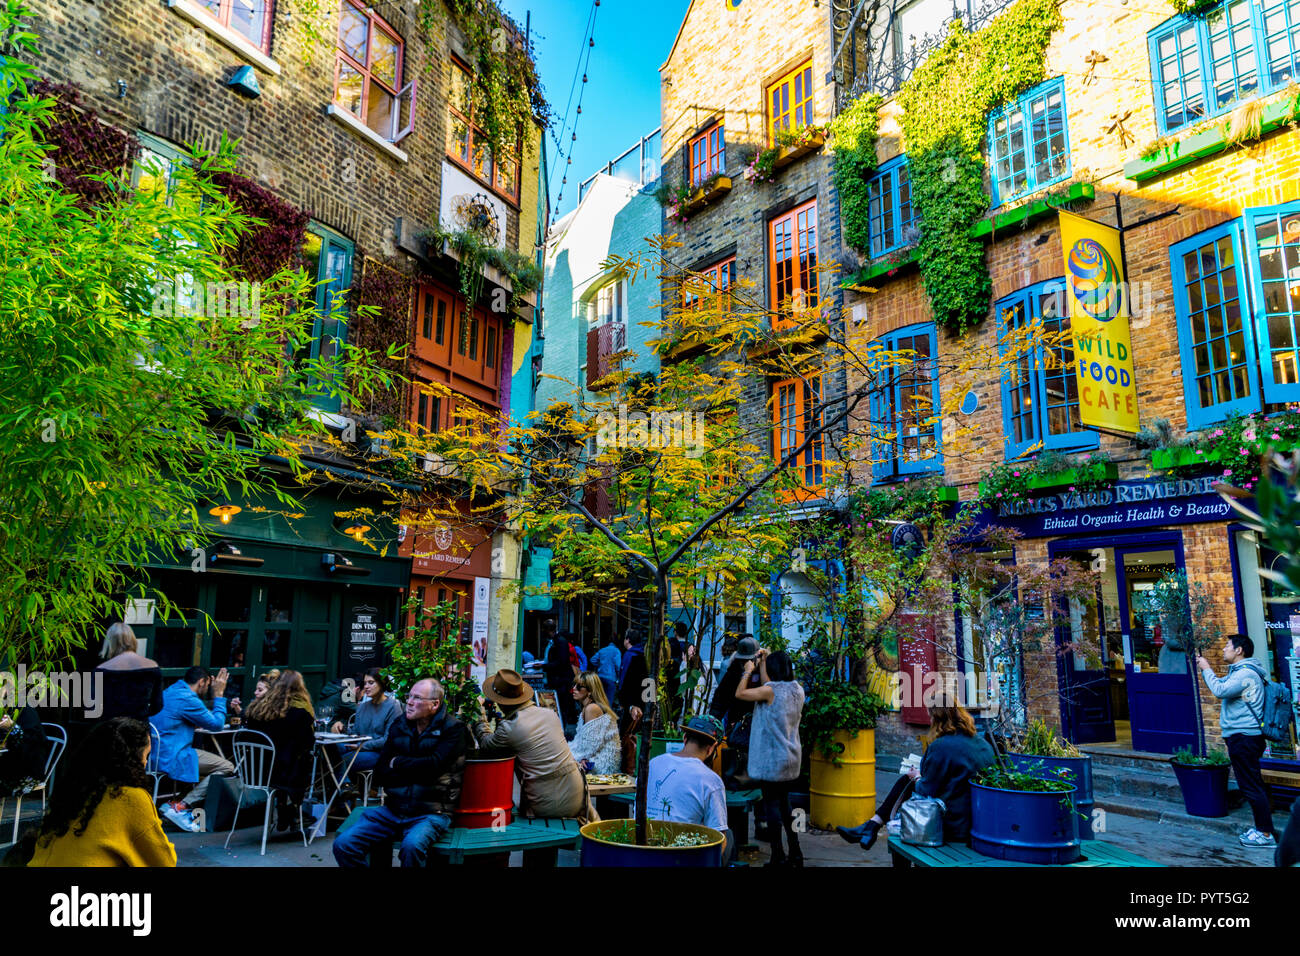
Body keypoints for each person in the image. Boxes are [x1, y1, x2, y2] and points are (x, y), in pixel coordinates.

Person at [332, 678, 469, 868]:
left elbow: (435, 766)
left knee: (412, 847)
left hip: (431, 812)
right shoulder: (400, 724)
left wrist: (398, 763)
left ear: (434, 704)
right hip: (393, 809)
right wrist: (417, 767)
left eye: (417, 698)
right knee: (344, 844)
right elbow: (380, 771)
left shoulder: (453, 729)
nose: (409, 702)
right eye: (409, 696)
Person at [837, 702, 995, 850]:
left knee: (901, 828)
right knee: (908, 781)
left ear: (937, 719)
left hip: (953, 825)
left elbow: (926, 791)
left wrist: (917, 777)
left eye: (931, 717)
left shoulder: (941, 746)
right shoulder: (981, 743)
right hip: (980, 821)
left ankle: (871, 827)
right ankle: (871, 826)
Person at [27, 717, 176, 867]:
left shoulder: (72, 789)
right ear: (134, 759)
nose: (145, 763)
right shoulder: (131, 798)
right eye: (146, 755)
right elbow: (164, 861)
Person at [473, 669, 586, 818]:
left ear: (501, 702)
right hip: (578, 793)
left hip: (550, 803)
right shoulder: (549, 714)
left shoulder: (510, 727)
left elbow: (487, 745)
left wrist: (478, 714)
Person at [1198, 633, 1276, 849]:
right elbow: (1224, 685)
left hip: (1244, 737)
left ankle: (1265, 834)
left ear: (1239, 650)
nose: (1223, 649)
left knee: (1250, 786)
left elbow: (1220, 690)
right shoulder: (1242, 673)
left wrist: (1206, 668)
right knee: (1253, 784)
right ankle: (1263, 828)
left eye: (1227, 646)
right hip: (1244, 737)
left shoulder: (1246, 674)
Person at [735, 650, 805, 866]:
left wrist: (747, 672)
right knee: (786, 806)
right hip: (791, 757)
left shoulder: (770, 692)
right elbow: (769, 683)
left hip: (772, 760)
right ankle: (796, 853)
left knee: (771, 806)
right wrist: (764, 661)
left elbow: (740, 694)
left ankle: (777, 855)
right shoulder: (797, 689)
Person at [155, 666, 235, 833]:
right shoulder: (188, 699)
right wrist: (219, 695)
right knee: (226, 767)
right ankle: (181, 806)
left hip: (155, 754)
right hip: (174, 756)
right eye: (208, 685)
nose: (208, 689)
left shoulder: (170, 691)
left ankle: (175, 803)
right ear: (202, 682)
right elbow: (217, 725)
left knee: (207, 773)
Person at [642, 714, 729, 861]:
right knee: (728, 836)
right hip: (682, 856)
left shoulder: (653, 763)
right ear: (712, 748)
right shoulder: (711, 780)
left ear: (684, 738)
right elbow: (718, 835)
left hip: (644, 848)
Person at [243, 669, 317, 831]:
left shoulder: (258, 711)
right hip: (282, 775)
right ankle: (294, 809)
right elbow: (308, 743)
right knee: (305, 760)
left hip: (254, 772)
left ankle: (288, 810)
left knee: (289, 757)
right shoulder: (299, 713)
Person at [336, 668, 402, 776]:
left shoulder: (393, 706)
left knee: (340, 760)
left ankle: (343, 787)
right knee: (328, 749)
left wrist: (361, 746)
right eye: (365, 683)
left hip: (378, 753)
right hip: (358, 747)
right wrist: (342, 728)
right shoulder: (362, 707)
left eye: (371, 683)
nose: (366, 686)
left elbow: (388, 740)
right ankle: (341, 787)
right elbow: (355, 733)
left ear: (382, 683)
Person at [94, 622, 164, 723]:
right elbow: (158, 705)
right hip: (139, 726)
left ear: (110, 642)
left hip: (112, 727)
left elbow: (91, 707)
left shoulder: (101, 670)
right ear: (133, 640)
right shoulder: (153, 666)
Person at [568, 671, 621, 774]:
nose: (574, 689)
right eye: (574, 685)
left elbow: (590, 746)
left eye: (579, 687)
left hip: (601, 764)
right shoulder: (587, 707)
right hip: (594, 757)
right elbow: (582, 741)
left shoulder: (592, 708)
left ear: (590, 691)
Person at [0, 707, 49, 798]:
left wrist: (13, 727)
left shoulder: (26, 711)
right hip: (7, 764)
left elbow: (31, 744)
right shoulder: (4, 708)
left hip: (27, 773)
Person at [616, 628, 649, 727]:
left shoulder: (629, 655)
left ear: (628, 640)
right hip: (644, 698)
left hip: (632, 702)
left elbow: (624, 679)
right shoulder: (645, 654)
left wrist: (622, 700)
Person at [545, 632, 579, 727]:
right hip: (566, 676)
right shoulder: (561, 644)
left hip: (564, 678)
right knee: (567, 701)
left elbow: (563, 662)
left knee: (565, 702)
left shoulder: (562, 644)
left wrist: (545, 666)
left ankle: (565, 723)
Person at [590, 633, 623, 705]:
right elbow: (618, 665)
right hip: (611, 679)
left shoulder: (602, 650)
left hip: (600, 677)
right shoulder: (617, 651)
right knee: (608, 702)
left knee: (600, 700)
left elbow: (592, 660)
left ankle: (599, 714)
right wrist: (618, 677)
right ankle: (607, 716)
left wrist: (600, 665)